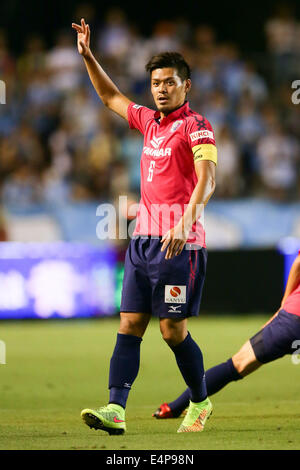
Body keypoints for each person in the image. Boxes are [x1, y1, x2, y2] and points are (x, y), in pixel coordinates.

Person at [72, 18, 217, 435]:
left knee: (173, 331)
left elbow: (208, 180)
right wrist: (88, 56)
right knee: (130, 324)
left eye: (169, 82)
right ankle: (115, 409)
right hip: (143, 242)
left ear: (185, 87)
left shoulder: (197, 126)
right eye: (155, 82)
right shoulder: (148, 122)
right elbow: (109, 96)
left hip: (179, 244)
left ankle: (200, 402)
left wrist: (184, 224)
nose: (160, 89)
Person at [153, 252, 300, 419]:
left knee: (237, 364)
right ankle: (178, 406)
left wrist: (284, 304)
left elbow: (298, 262)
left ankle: (175, 407)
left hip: (292, 318)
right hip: (292, 317)